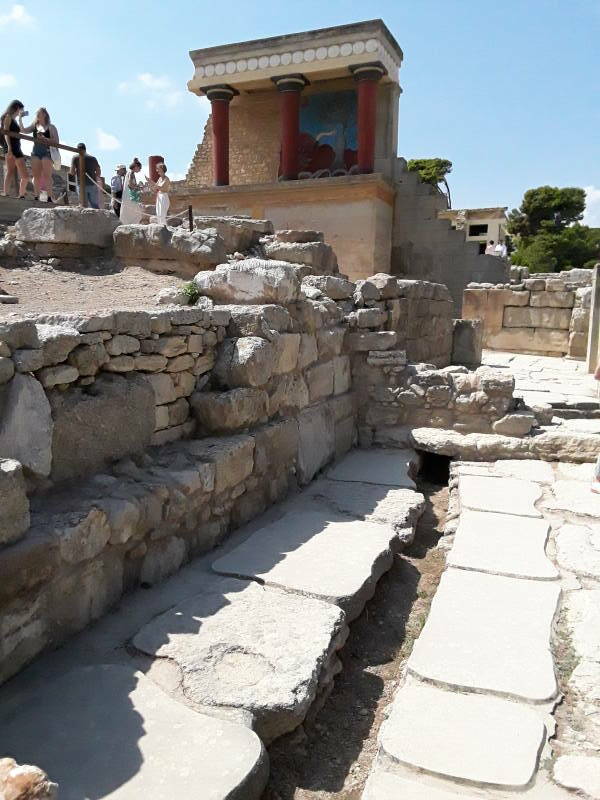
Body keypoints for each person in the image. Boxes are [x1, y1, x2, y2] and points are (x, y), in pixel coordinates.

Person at [20, 107, 59, 202]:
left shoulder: (51, 127)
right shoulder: (34, 126)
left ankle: (49, 197)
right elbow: (23, 130)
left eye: (39, 113)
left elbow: (56, 141)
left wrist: (45, 139)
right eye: (36, 113)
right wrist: (20, 119)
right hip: (35, 152)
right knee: (36, 176)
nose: (37, 114)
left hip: (47, 152)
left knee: (47, 176)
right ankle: (36, 197)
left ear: (45, 114)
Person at [1, 100, 30, 198]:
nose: (22, 111)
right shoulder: (8, 117)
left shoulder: (15, 119)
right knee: (10, 171)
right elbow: (6, 133)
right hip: (10, 147)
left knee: (25, 176)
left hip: (17, 148)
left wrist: (21, 119)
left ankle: (21, 195)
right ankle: (6, 193)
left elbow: (22, 130)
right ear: (17, 108)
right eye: (21, 109)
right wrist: (9, 148)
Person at [69, 144, 101, 209]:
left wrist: (76, 173)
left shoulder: (75, 157)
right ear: (85, 149)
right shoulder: (93, 158)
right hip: (92, 184)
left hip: (81, 185)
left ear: (77, 149)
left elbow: (71, 172)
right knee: (95, 205)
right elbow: (98, 172)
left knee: (83, 205)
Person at [119, 157, 145, 224]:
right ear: (136, 166)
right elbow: (130, 185)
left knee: (128, 213)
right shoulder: (131, 173)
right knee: (137, 214)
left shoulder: (129, 173)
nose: (140, 170)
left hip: (127, 197)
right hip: (130, 197)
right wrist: (139, 187)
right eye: (140, 168)